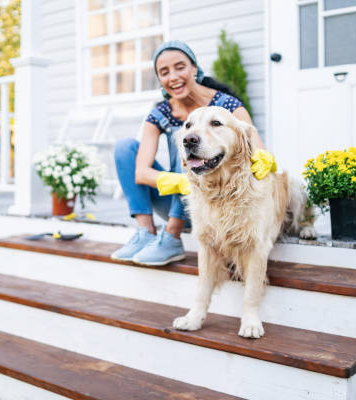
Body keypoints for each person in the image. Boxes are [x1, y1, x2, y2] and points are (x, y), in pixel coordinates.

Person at [110, 40, 269, 266]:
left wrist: (264, 160)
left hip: (222, 207)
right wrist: (181, 182)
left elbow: (259, 155)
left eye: (180, 67)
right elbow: (141, 173)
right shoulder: (160, 113)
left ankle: (172, 236)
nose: (172, 76)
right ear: (160, 80)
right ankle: (145, 233)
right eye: (164, 72)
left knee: (186, 135)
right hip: (183, 199)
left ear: (195, 68)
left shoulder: (228, 106)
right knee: (125, 147)